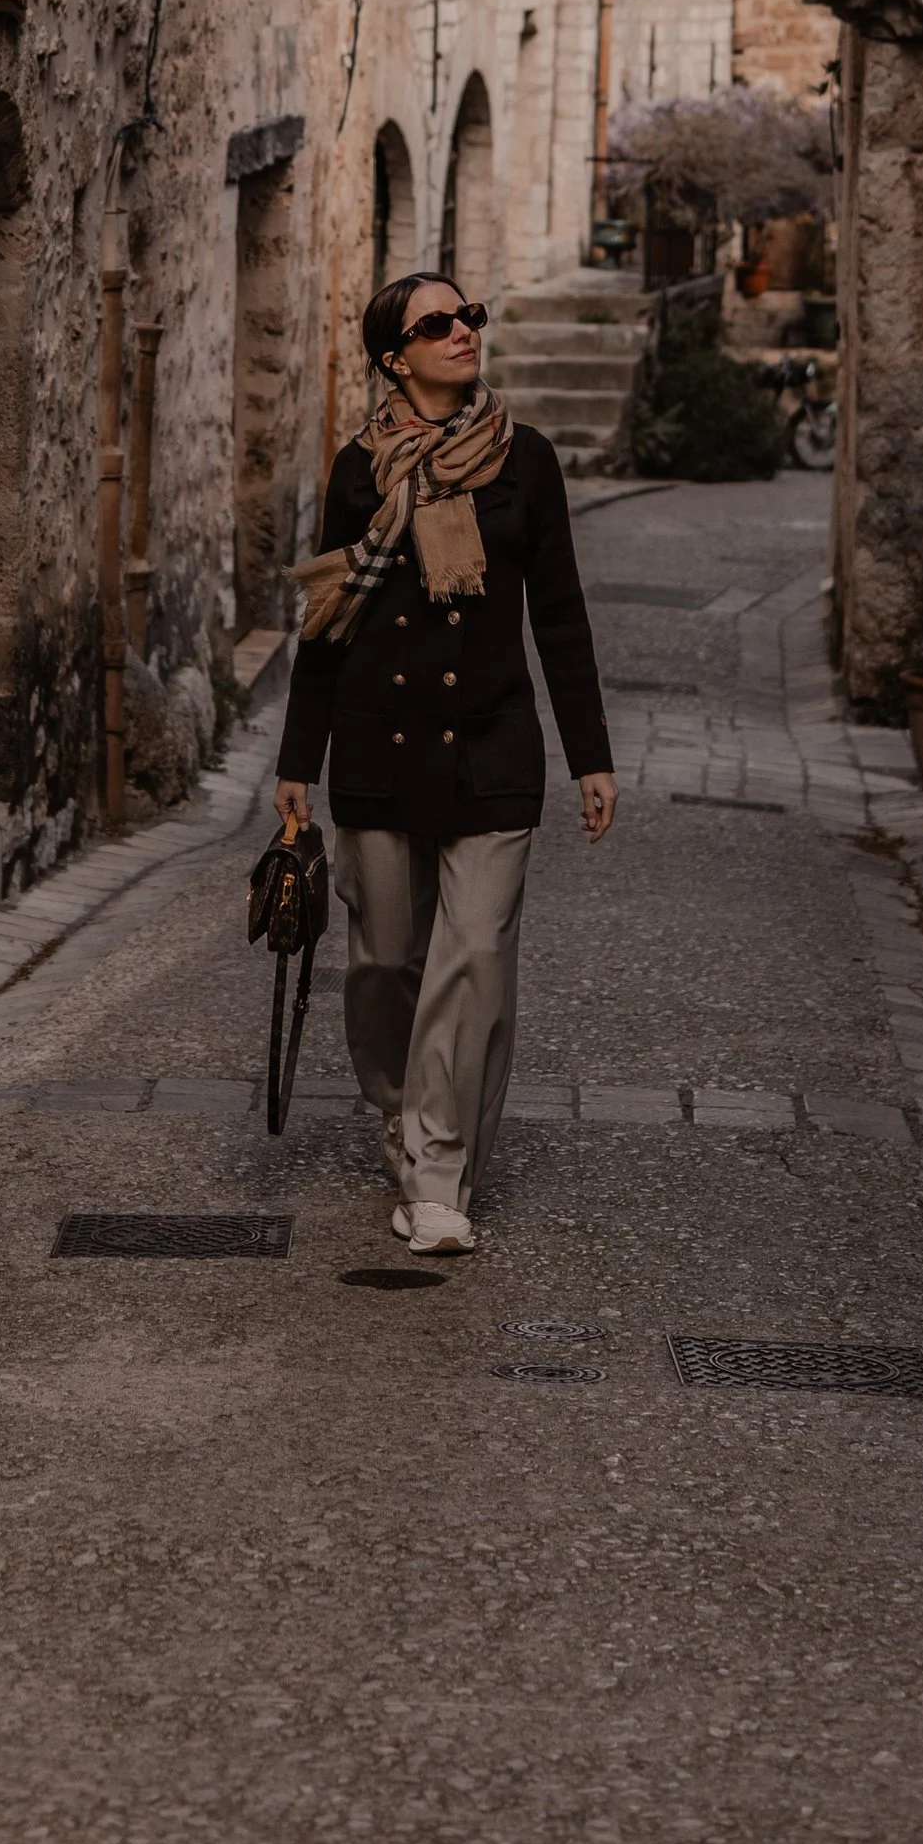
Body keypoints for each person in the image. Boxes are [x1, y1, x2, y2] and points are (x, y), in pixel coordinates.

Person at [274, 269, 616, 1256]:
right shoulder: (356, 470)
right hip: (375, 750)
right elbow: (325, 624)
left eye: (470, 315)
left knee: (472, 963)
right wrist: (299, 762)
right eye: (438, 323)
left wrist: (591, 756)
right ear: (395, 356)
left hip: (493, 749)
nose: (464, 331)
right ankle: (403, 1111)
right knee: (383, 966)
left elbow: (558, 616)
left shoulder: (527, 460)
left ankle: (436, 1171)